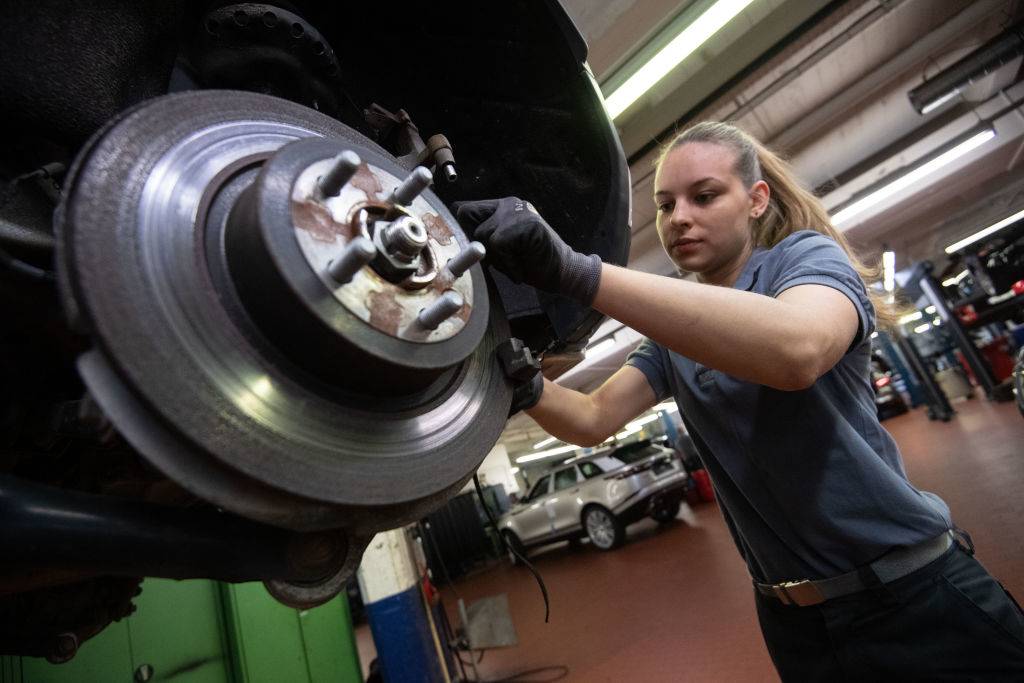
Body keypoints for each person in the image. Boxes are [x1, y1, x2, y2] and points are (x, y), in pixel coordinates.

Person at [454, 121, 1024, 680]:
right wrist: (512, 372)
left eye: (704, 197)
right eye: (665, 204)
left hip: (912, 600)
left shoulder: (802, 262)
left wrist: (575, 272)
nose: (679, 218)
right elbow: (592, 418)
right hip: (796, 625)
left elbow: (796, 351)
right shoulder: (675, 333)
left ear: (755, 200)